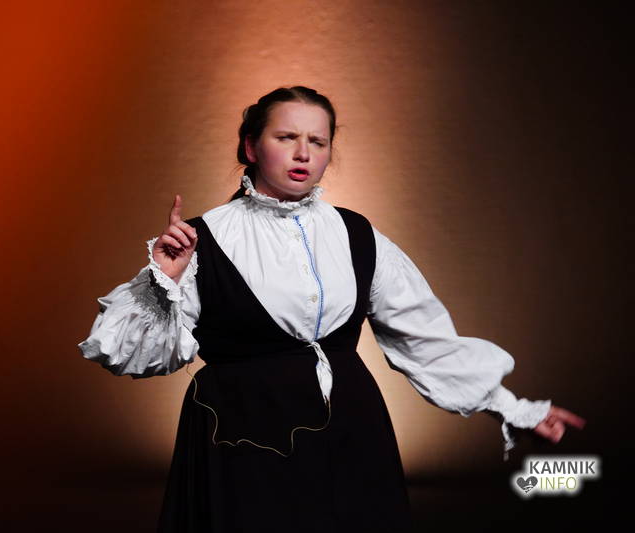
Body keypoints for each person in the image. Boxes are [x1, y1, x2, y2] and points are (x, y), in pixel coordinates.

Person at [77, 86, 586, 531]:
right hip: (241, 438)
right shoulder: (199, 239)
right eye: (286, 137)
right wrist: (164, 277)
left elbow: (423, 337)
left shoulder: (356, 233)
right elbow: (131, 354)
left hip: (350, 430)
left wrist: (513, 408)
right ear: (251, 147)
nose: (303, 153)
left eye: (317, 142)